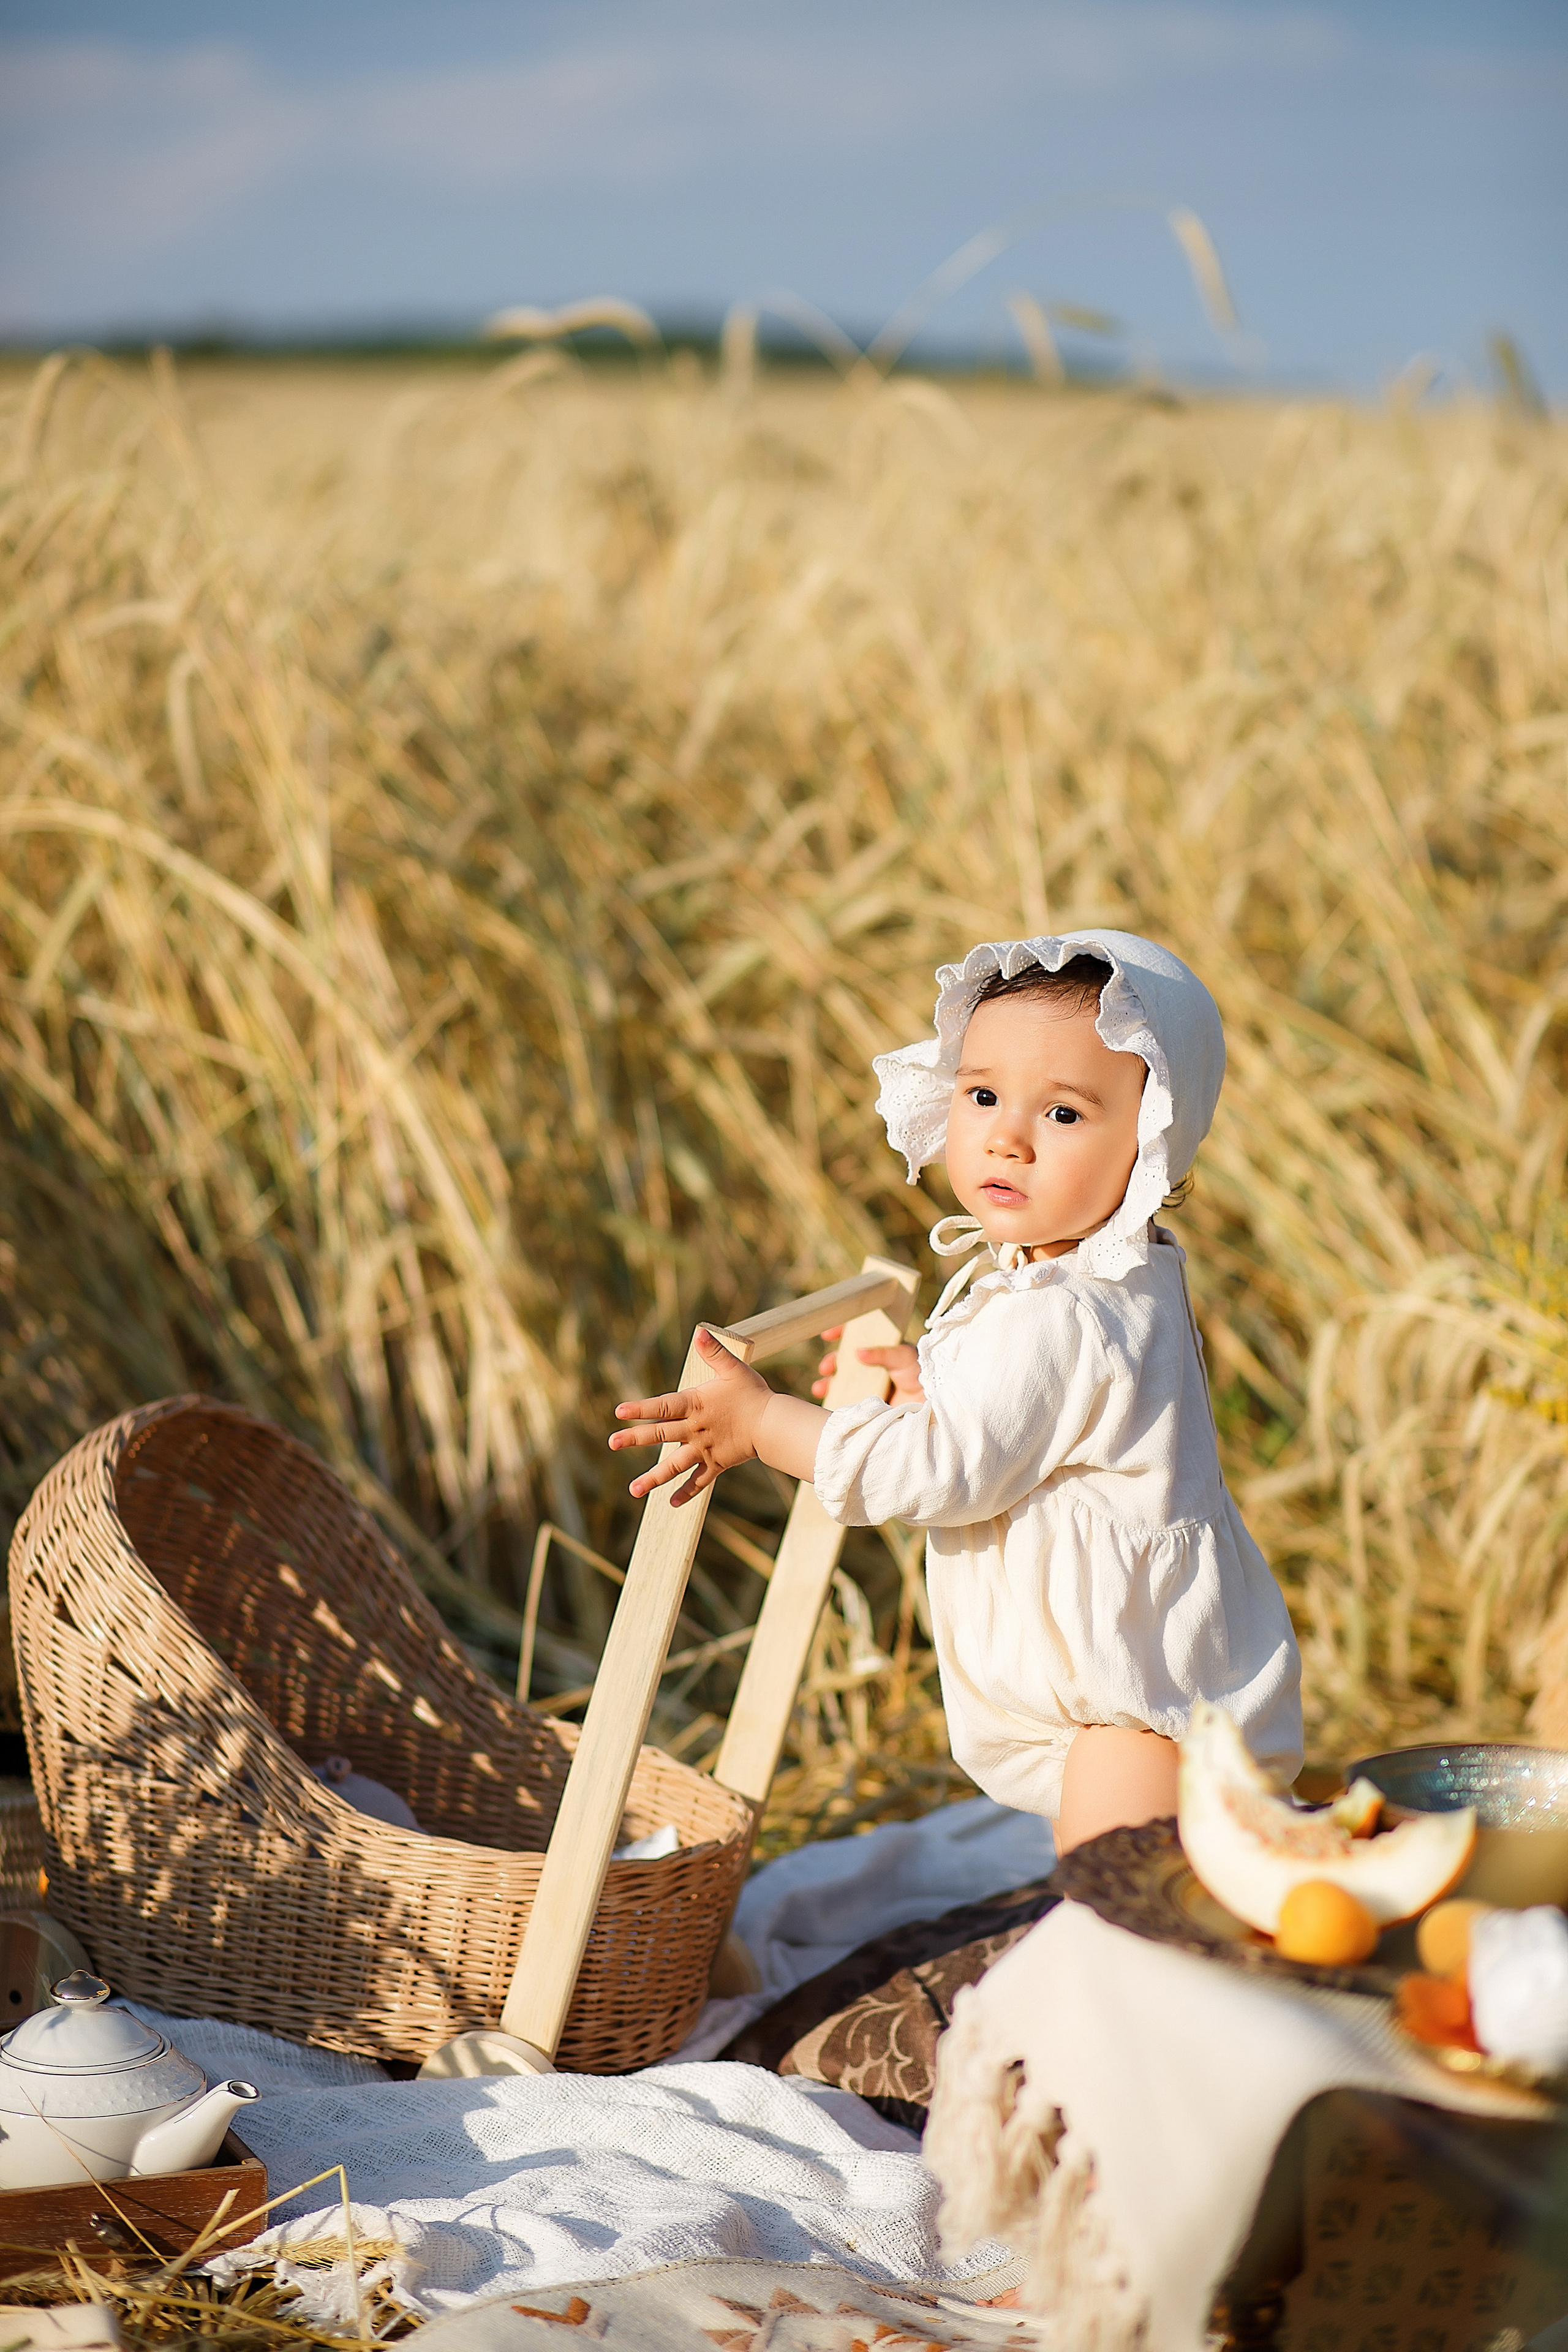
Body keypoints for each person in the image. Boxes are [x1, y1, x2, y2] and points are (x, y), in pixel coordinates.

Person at [610, 933, 1303, 1853]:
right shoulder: (1111, 1278)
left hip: (1127, 1724)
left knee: (1122, 1932)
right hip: (1157, 1682)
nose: (1007, 1138)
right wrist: (934, 1381)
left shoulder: (1060, 1313)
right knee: (1169, 1903)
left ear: (1150, 1140)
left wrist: (763, 1422)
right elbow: (1047, 1422)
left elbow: (943, 1471)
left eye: (1062, 1114)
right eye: (982, 1096)